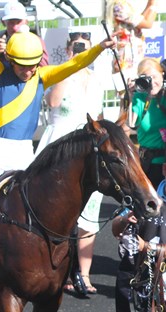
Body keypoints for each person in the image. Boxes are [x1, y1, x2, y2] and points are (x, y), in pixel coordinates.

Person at [0, 5, 116, 299]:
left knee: (51, 206)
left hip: (25, 153)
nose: (29, 70)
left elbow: (76, 63)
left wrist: (99, 48)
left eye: (34, 64)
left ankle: (65, 268)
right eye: (23, 65)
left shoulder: (41, 76)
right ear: (9, 58)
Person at [35, 31, 104, 295]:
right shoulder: (60, 72)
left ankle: (84, 275)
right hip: (58, 151)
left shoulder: (97, 80)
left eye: (85, 48)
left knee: (90, 212)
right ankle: (56, 270)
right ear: (67, 49)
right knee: (55, 213)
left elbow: (97, 117)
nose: (81, 51)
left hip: (86, 154)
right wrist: (70, 67)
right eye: (77, 48)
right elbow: (52, 101)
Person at [112, 184, 166, 311]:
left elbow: (145, 247)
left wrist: (147, 247)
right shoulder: (144, 195)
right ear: (164, 169)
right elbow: (115, 230)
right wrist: (124, 220)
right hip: (137, 274)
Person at [128, 57, 166, 190]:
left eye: (155, 77)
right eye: (147, 79)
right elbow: (131, 123)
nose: (153, 83)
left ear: (163, 75)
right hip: (146, 165)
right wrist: (131, 96)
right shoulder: (141, 98)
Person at [106, 0, 158, 79]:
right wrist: (153, 4)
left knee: (139, 89)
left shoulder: (124, 5)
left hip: (134, 58)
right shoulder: (119, 6)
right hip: (126, 61)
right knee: (126, 90)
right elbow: (148, 23)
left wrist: (151, 4)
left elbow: (141, 20)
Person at [0, 0, 49, 67]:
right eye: (11, 22)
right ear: (3, 22)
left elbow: (43, 70)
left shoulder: (36, 41)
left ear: (26, 22)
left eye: (18, 22)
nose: (15, 27)